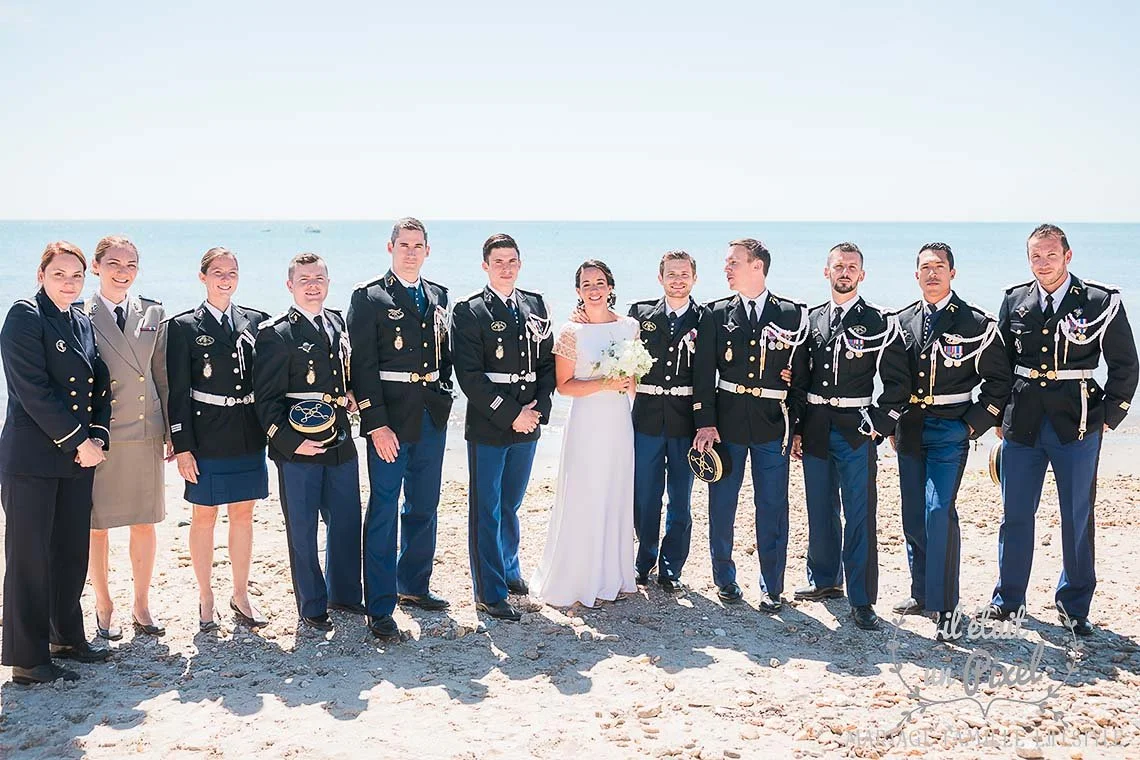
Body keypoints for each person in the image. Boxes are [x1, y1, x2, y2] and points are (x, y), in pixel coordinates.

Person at [987, 224, 1137, 637]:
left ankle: (1073, 606)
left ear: (1067, 256)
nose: (1043, 263)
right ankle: (1008, 599)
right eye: (1036, 256)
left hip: (1078, 423)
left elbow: (1126, 365)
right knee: (1015, 514)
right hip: (1024, 424)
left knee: (1076, 517)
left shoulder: (1099, 301)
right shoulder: (1014, 300)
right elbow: (1000, 363)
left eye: (1050, 255)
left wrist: (1109, 415)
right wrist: (998, 415)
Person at [0, 241, 112, 685]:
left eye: (77, 275)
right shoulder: (25, 316)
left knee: (69, 552)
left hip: (78, 457)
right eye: (60, 273)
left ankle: (65, 637)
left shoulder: (80, 320)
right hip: (32, 459)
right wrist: (78, 441)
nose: (69, 282)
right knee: (29, 557)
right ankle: (28, 659)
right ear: (41, 274)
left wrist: (98, 437)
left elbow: (99, 383)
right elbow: (32, 390)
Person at [891, 242, 1011, 641]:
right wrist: (890, 424)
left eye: (939, 267)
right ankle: (922, 593)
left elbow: (999, 384)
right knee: (913, 515)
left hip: (950, 429)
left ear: (952, 273)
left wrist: (970, 427)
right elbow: (891, 380)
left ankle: (947, 608)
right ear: (916, 275)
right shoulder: (901, 321)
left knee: (939, 510)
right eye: (925, 267)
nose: (932, 274)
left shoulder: (977, 323)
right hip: (909, 428)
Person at [790, 242, 910, 631]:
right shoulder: (809, 320)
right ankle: (824, 581)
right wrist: (795, 429)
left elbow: (897, 383)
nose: (845, 272)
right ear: (826, 272)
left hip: (855, 428)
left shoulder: (880, 322)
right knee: (819, 508)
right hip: (815, 425)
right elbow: (800, 379)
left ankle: (862, 600)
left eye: (852, 267)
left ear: (862, 275)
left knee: (859, 515)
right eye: (838, 266)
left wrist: (880, 423)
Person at [347, 217, 454, 640]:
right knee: (384, 508)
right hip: (390, 420)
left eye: (418, 245)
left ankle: (414, 585)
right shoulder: (369, 296)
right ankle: (380, 606)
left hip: (431, 415)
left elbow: (445, 355)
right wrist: (375, 425)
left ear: (428, 250)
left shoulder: (439, 295)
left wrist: (445, 395)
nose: (410, 251)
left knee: (425, 506)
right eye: (403, 244)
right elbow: (363, 367)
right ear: (390, 248)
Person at [692, 239, 809, 613]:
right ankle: (725, 579)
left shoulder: (793, 314)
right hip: (726, 425)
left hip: (772, 425)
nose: (726, 269)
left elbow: (803, 376)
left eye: (733, 263)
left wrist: (798, 428)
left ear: (757, 266)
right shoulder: (714, 314)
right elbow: (702, 374)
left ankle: (771, 586)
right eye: (726, 263)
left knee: (773, 505)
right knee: (722, 503)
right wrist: (705, 423)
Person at [253, 253, 364, 633]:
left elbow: (342, 373)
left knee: (347, 520)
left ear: (329, 282)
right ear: (290, 285)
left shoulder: (337, 322)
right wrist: (288, 443)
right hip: (298, 447)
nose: (313, 284)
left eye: (319, 277)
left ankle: (345, 594)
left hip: (340, 439)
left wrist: (349, 393)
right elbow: (265, 402)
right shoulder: (275, 333)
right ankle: (312, 604)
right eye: (305, 279)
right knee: (303, 529)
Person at [165, 247, 270, 632]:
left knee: (244, 514)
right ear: (203, 277)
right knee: (204, 516)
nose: (225, 278)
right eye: (218, 272)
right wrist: (182, 447)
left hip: (246, 431)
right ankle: (206, 595)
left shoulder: (256, 322)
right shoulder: (183, 327)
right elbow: (177, 392)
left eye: (232, 272)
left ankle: (240, 594)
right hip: (205, 435)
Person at [452, 234, 555, 621]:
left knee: (511, 504)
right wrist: (512, 413)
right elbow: (470, 376)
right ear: (485, 266)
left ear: (520, 263)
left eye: (512, 260)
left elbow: (546, 363)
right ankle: (490, 592)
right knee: (487, 509)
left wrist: (540, 409)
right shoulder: (469, 310)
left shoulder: (535, 304)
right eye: (499, 262)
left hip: (529, 421)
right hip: (491, 424)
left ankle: (510, 570)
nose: (506, 267)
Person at [530, 260, 638, 607]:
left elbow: (634, 380)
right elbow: (564, 386)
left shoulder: (629, 327)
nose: (594, 289)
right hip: (587, 422)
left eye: (600, 282)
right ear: (578, 291)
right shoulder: (570, 332)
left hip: (620, 421)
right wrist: (604, 382)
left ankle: (614, 576)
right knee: (586, 492)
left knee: (616, 490)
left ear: (610, 287)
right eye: (587, 284)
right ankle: (580, 577)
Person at [84, 236, 168, 640]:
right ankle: (103, 603)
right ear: (97, 266)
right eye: (114, 263)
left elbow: (162, 375)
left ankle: (141, 603)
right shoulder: (80, 314)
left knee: (144, 523)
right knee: (96, 526)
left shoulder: (153, 310)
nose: (123, 271)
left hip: (145, 428)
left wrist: (172, 430)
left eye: (131, 264)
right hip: (102, 434)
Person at [628, 250, 704, 594]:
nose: (678, 280)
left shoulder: (706, 319)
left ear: (694, 278)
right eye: (671, 274)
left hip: (685, 421)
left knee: (680, 499)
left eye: (684, 274)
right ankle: (643, 561)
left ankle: (671, 568)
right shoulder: (640, 314)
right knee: (644, 495)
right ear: (660, 278)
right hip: (645, 417)